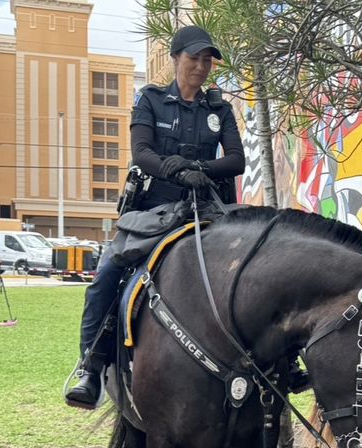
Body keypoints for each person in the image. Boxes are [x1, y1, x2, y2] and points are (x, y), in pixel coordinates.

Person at [65, 25, 245, 409]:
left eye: (207, 60)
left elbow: (236, 160)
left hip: (206, 208)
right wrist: (175, 169)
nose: (201, 66)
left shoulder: (219, 108)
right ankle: (90, 367)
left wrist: (198, 168)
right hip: (152, 211)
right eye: (194, 58)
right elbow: (141, 152)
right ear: (176, 59)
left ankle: (279, 365)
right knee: (106, 276)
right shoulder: (150, 100)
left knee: (256, 264)